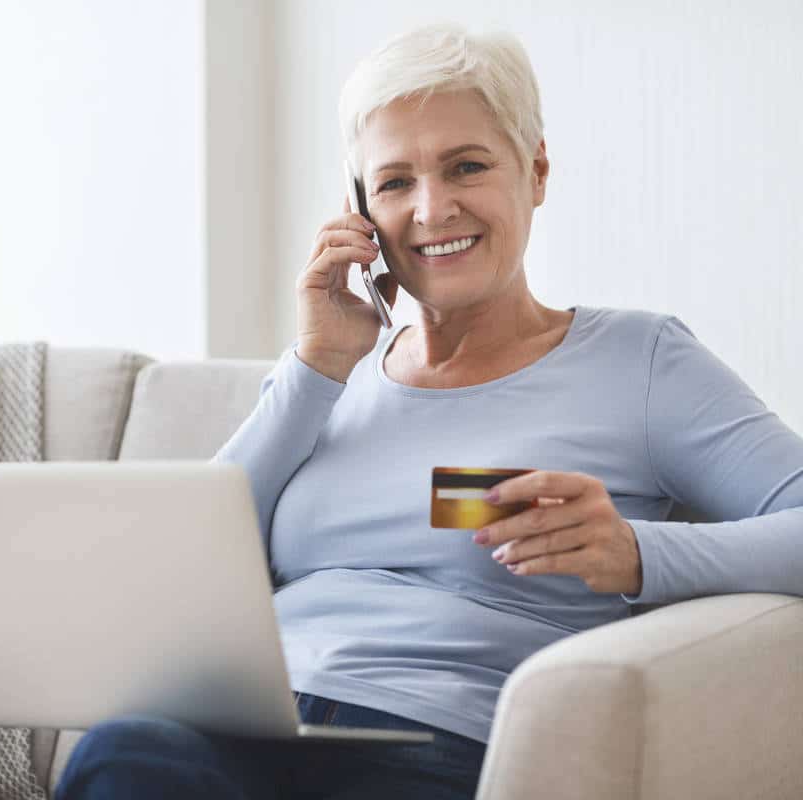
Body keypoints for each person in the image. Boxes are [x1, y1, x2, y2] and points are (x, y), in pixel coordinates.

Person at [54, 22, 803, 800]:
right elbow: (186, 566)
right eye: (394, 183)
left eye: (466, 166)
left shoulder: (640, 361)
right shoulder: (327, 375)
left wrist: (637, 554)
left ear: (536, 169)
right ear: (359, 209)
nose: (432, 209)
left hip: (431, 747)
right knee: (119, 756)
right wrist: (316, 365)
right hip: (244, 731)